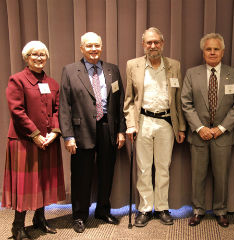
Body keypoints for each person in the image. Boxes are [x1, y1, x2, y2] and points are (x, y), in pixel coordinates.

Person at [59, 32, 126, 233]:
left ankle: (103, 210)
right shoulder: (70, 70)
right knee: (81, 175)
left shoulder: (112, 69)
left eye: (97, 45)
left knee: (107, 172)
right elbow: (64, 105)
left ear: (102, 47)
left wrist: (121, 130)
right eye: (89, 46)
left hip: (108, 128)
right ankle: (79, 216)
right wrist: (68, 136)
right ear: (82, 48)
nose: (94, 49)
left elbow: (120, 102)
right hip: (81, 131)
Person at [1, 41, 65, 240]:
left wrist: (54, 133)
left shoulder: (52, 83)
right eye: (34, 54)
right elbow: (17, 111)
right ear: (27, 58)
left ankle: (39, 219)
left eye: (42, 55)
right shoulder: (17, 80)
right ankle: (17, 226)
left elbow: (57, 110)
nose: (39, 58)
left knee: (44, 182)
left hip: (48, 140)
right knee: (25, 185)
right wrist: (36, 135)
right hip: (24, 141)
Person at [181, 33, 234, 227]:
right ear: (203, 52)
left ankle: (221, 210)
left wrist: (222, 128)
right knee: (197, 176)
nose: (212, 52)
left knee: (222, 176)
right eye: (208, 49)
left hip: (223, 136)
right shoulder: (192, 73)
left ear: (223, 52)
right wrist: (200, 128)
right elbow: (185, 102)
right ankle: (198, 210)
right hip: (199, 135)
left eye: (216, 49)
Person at [124, 27, 186, 227]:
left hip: (166, 123)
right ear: (143, 45)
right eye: (149, 42)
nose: (153, 46)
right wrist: (131, 125)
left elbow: (178, 99)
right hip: (143, 122)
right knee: (143, 168)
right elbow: (129, 100)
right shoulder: (133, 65)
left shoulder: (174, 65)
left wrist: (181, 127)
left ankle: (161, 207)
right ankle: (144, 208)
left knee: (163, 168)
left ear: (163, 44)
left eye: (156, 42)